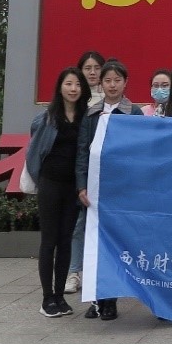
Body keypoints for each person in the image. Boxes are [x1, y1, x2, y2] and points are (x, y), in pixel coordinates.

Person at [75, 59, 144, 321]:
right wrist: (81, 185)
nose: (112, 85)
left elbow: (139, 153)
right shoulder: (91, 113)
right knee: (95, 243)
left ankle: (111, 300)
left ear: (125, 83)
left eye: (117, 80)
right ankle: (96, 299)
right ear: (100, 84)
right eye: (108, 80)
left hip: (122, 189)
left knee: (116, 243)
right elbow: (82, 152)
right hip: (95, 189)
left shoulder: (134, 114)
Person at [27, 66, 90, 317]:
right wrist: (40, 179)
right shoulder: (47, 118)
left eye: (77, 84)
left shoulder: (85, 118)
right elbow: (34, 152)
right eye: (68, 84)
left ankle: (60, 297)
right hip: (50, 184)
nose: (73, 89)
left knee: (65, 241)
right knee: (49, 241)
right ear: (60, 87)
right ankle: (47, 299)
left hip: (72, 187)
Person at [64, 50, 105, 293]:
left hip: (99, 174)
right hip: (75, 171)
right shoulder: (76, 100)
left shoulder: (109, 101)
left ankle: (96, 272)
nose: (92, 72)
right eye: (87, 68)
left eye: (96, 68)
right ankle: (73, 272)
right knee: (77, 224)